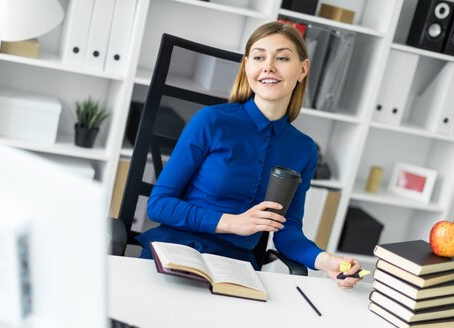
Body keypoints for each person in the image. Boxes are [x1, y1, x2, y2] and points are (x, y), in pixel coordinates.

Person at [136, 22, 362, 289]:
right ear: (247, 66)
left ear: (303, 69)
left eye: (282, 57)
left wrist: (327, 262)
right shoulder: (211, 121)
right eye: (258, 57)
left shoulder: (303, 149)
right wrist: (233, 223)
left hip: (235, 267)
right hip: (177, 250)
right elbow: (159, 204)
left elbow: (287, 230)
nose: (268, 66)